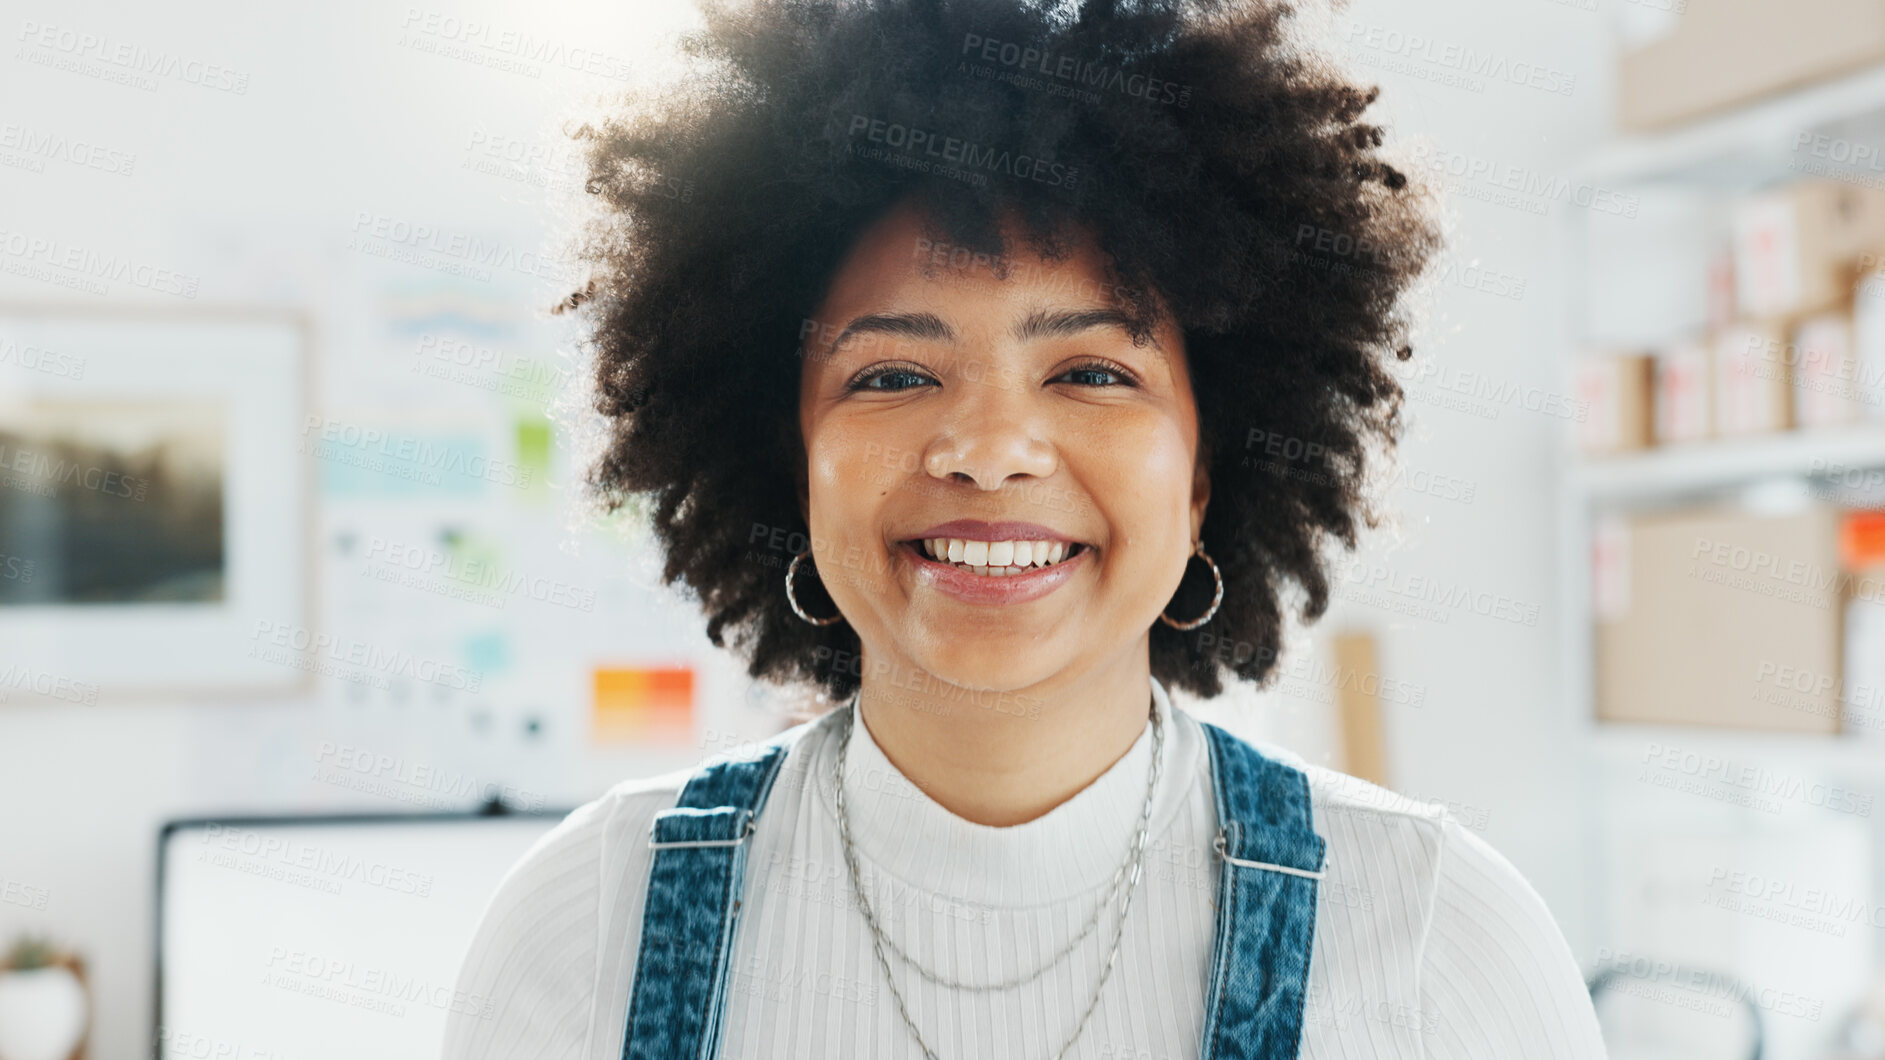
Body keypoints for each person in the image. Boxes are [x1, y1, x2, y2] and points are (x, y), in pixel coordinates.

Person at [442, 0, 1607, 1056]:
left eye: (1093, 371)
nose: (990, 446)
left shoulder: (1438, 944)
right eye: (892, 373)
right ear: (786, 462)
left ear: (1206, 472)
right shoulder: (586, 929)